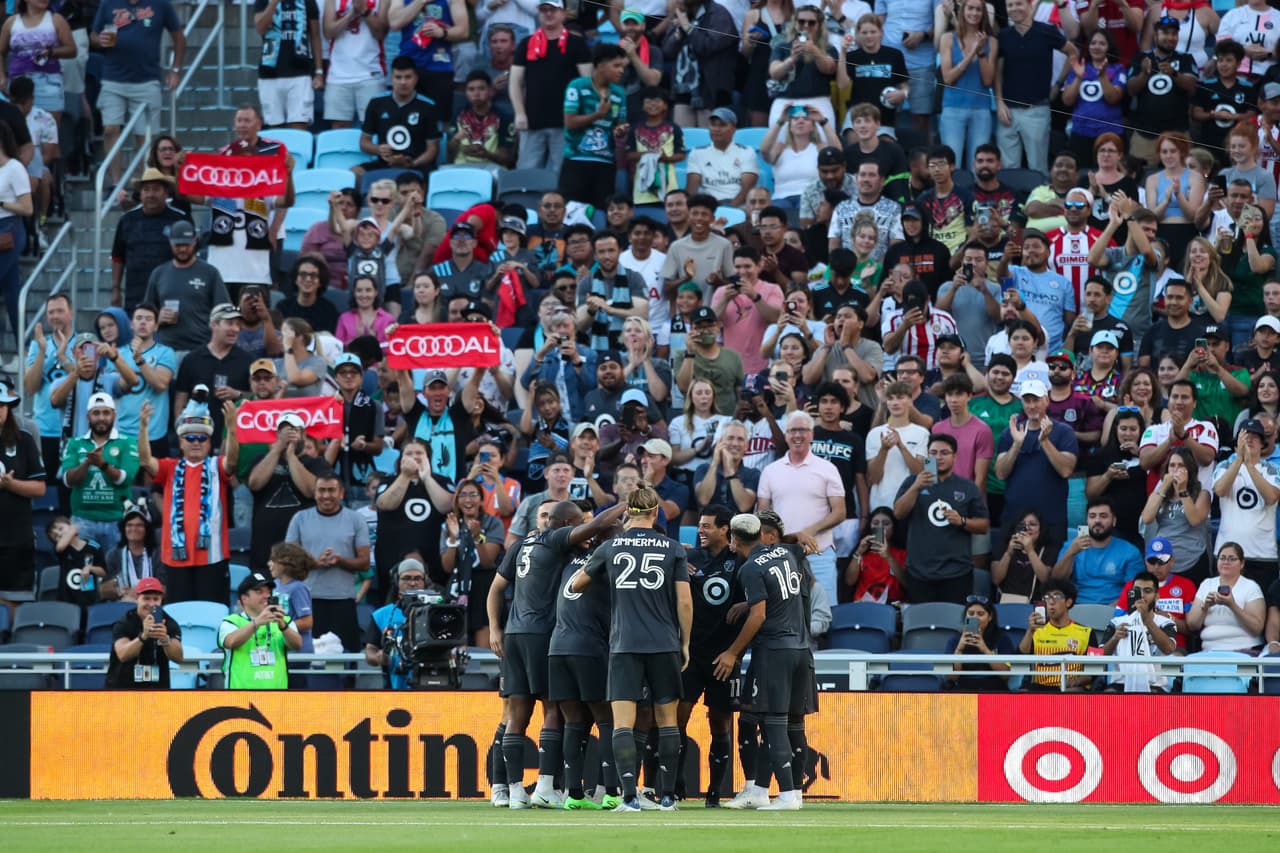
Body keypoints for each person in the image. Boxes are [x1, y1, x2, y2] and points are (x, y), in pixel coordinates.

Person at [496, 498, 626, 809]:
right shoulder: (566, 544)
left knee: (518, 715)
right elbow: (595, 527)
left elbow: (494, 588)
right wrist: (627, 502)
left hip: (519, 633)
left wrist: (493, 628)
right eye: (578, 524)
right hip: (548, 636)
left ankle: (514, 792)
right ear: (568, 525)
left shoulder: (526, 545)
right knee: (562, 714)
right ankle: (553, 786)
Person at [137, 395, 239, 604]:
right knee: (179, 614)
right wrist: (143, 428)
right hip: (176, 556)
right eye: (189, 438)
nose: (196, 443)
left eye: (202, 438)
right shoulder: (170, 467)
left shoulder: (216, 466)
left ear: (210, 443)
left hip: (212, 555)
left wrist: (232, 428)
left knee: (212, 610)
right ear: (181, 443)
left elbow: (233, 460)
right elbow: (145, 460)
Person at [91, 0, 184, 184]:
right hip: (112, 77)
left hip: (147, 79)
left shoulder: (160, 4)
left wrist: (175, 70)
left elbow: (179, 37)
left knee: (145, 137)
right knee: (110, 129)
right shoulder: (108, 3)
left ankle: (145, 183)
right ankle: (116, 184)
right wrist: (99, 40)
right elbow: (93, 35)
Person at [893, 432, 989, 603]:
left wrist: (962, 521)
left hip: (957, 572)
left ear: (955, 456)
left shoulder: (967, 487)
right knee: (921, 625)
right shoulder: (912, 482)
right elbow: (898, 513)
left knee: (955, 624)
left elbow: (983, 526)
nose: (938, 457)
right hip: (919, 571)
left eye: (944, 453)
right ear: (927, 455)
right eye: (933, 453)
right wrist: (916, 487)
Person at [994, 379, 1080, 545]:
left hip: (1051, 518)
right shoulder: (1010, 433)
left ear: (1046, 400)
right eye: (1027, 400)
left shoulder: (1064, 432)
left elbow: (1066, 470)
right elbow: (1000, 473)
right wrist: (1017, 444)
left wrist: (1045, 441)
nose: (1032, 406)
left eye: (1036, 400)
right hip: (1015, 517)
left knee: (1051, 569)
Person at [510, 1, 591, 173]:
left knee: (563, 175)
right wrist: (519, 113)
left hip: (566, 122)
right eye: (544, 10)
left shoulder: (576, 44)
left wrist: (583, 116)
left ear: (563, 13)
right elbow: (515, 81)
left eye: (553, 10)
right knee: (527, 175)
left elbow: (588, 83)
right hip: (532, 121)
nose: (548, 14)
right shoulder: (526, 43)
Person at [995, 0, 1076, 173]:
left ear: (1029, 6)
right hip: (1008, 112)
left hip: (1036, 110)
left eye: (1019, 4)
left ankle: (1039, 201)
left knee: (1038, 168)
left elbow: (1073, 52)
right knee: (1008, 170)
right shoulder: (1003, 36)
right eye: (1010, 5)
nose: (1014, 8)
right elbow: (998, 72)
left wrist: (1059, 83)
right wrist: (999, 102)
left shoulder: (1046, 31)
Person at [58, 391, 138, 555]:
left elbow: (125, 479)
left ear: (114, 415)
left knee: (116, 574)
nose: (101, 418)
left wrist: (102, 464)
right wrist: (87, 463)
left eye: (106, 412)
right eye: (96, 413)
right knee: (81, 574)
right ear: (88, 416)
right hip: (82, 520)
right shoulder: (75, 443)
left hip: (117, 520)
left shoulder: (127, 442)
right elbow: (67, 480)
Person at [373, 440, 453, 589]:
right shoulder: (388, 481)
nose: (414, 457)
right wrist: (405, 476)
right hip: (392, 556)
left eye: (419, 453)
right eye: (408, 453)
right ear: (401, 458)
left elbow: (446, 506)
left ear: (428, 457)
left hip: (433, 560)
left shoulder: (442, 481)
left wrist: (427, 478)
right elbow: (384, 504)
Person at [1212, 418, 1280, 590]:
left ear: (1262, 444)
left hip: (1262, 554)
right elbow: (1219, 490)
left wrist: (1250, 465)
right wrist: (1239, 460)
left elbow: (1272, 497)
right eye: (1245, 436)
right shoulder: (1224, 465)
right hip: (1227, 554)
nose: (1249, 439)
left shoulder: (1272, 469)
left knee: (1261, 611)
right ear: (1236, 443)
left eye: (1255, 437)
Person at [560, 43, 629, 210]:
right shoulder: (577, 86)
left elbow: (619, 126)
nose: (621, 71)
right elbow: (569, 122)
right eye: (616, 66)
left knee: (601, 214)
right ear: (600, 66)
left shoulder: (619, 93)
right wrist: (598, 115)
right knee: (572, 213)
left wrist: (620, 131)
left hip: (605, 164)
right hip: (576, 160)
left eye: (623, 66)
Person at [110, 169, 191, 310]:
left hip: (172, 290)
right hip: (135, 292)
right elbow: (118, 257)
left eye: (156, 189)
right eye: (146, 190)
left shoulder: (180, 219)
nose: (151, 194)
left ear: (166, 193)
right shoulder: (127, 220)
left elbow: (191, 255)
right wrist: (116, 289)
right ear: (140, 194)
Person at [354, 57, 440, 179]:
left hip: (416, 164)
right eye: (398, 77)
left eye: (408, 77)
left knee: (430, 176)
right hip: (384, 163)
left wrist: (412, 164)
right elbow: (364, 143)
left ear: (416, 79)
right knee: (354, 173)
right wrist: (379, 149)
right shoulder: (377, 103)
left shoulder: (428, 106)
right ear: (391, 79)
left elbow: (432, 149)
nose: (403, 82)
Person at [1051, 497, 1144, 605]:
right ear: (1087, 520)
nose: (1097, 520)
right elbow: (1056, 581)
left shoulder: (1130, 551)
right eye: (1092, 516)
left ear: (1114, 521)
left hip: (1115, 609)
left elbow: (1135, 591)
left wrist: (1111, 611)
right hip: (1077, 607)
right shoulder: (1072, 546)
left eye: (1103, 516)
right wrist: (1071, 552)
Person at [219, 570, 303, 688]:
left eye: (268, 591)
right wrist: (257, 622)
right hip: (240, 699)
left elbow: (297, 645)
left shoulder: (283, 620)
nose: (267, 595)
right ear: (244, 598)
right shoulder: (231, 621)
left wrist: (283, 625)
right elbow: (230, 642)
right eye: (259, 592)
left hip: (277, 697)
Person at [938, 0, 997, 168]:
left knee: (978, 165)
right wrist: (972, 53)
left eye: (979, 9)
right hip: (953, 107)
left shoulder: (991, 42)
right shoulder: (947, 38)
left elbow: (987, 81)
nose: (974, 13)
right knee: (951, 164)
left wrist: (981, 52)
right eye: (970, 8)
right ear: (963, 11)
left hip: (981, 108)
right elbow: (948, 78)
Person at [1099, 570, 1178, 693]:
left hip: (1155, 684)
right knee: (1108, 695)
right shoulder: (1116, 622)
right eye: (1137, 590)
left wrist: (1147, 621)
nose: (1141, 595)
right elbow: (1100, 657)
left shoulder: (1166, 622)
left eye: (1147, 591)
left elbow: (1169, 649)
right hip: (1121, 683)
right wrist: (1115, 638)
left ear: (1157, 595)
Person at [1138, 378, 1219, 494]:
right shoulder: (1154, 430)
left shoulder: (1206, 427)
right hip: (1159, 503)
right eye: (1175, 397)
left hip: (1195, 501)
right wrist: (1169, 442)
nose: (1179, 401)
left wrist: (1183, 436)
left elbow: (1206, 459)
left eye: (1185, 397)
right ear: (1168, 401)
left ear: (1194, 403)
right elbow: (1145, 462)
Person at [1018, 578, 1098, 691]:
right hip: (1040, 688)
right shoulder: (1035, 631)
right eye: (1047, 597)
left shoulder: (1088, 632)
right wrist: (1030, 631)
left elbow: (1096, 669)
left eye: (1056, 596)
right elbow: (1019, 659)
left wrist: (1076, 681)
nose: (1051, 601)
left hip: (1071, 688)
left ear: (1068, 602)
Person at [1186, 542, 1267, 651]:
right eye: (1222, 558)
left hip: (1244, 649)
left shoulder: (1251, 587)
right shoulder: (1207, 584)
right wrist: (1205, 607)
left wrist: (1232, 605)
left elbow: (1257, 628)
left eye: (1232, 559)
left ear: (1242, 563)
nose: (1226, 562)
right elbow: (1192, 625)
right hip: (1209, 650)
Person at [105, 577, 184, 688]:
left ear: (161, 600)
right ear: (137, 598)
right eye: (146, 598)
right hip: (122, 689)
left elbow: (179, 658)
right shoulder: (125, 622)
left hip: (157, 690)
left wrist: (165, 640)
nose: (151, 604)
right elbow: (122, 654)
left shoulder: (169, 623)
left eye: (155, 599)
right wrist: (143, 636)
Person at [322, 0, 390, 127]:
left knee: (373, 126)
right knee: (339, 128)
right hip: (338, 74)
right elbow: (328, 32)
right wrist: (350, 15)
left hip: (371, 73)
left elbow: (381, 33)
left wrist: (365, 11)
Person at [944, 596, 1013, 692]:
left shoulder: (1002, 638)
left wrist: (985, 650)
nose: (975, 617)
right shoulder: (955, 640)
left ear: (990, 617)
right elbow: (952, 677)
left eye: (980, 614)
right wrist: (959, 649)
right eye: (971, 613)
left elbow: (1006, 675)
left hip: (994, 688)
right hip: (964, 689)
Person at [46, 516, 105, 606]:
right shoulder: (62, 550)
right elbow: (60, 547)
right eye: (56, 536)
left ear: (70, 525)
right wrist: (72, 529)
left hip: (88, 597)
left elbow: (103, 572)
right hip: (66, 601)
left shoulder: (94, 546)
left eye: (61, 529)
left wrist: (90, 568)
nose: (60, 534)